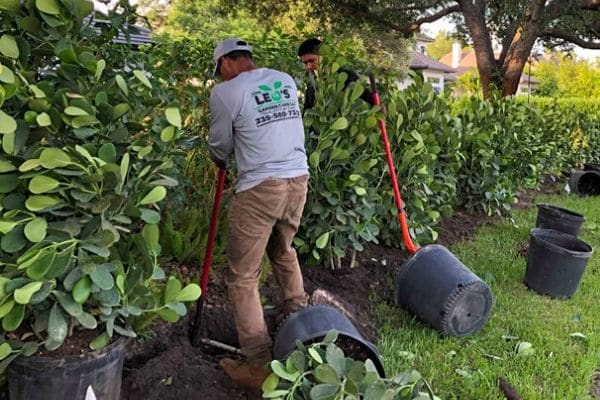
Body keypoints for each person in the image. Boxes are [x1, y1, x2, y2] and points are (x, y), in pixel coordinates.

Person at [208, 38, 310, 391]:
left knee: (242, 277)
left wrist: (220, 158)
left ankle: (258, 364)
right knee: (283, 251)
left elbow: (220, 145)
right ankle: (300, 321)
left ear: (225, 64)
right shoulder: (284, 79)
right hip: (298, 180)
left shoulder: (225, 92)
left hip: (260, 187)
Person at [297, 38, 375, 110]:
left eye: (312, 60)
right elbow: (306, 113)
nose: (308, 66)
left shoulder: (347, 76)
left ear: (324, 56)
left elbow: (372, 102)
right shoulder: (311, 85)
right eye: (305, 63)